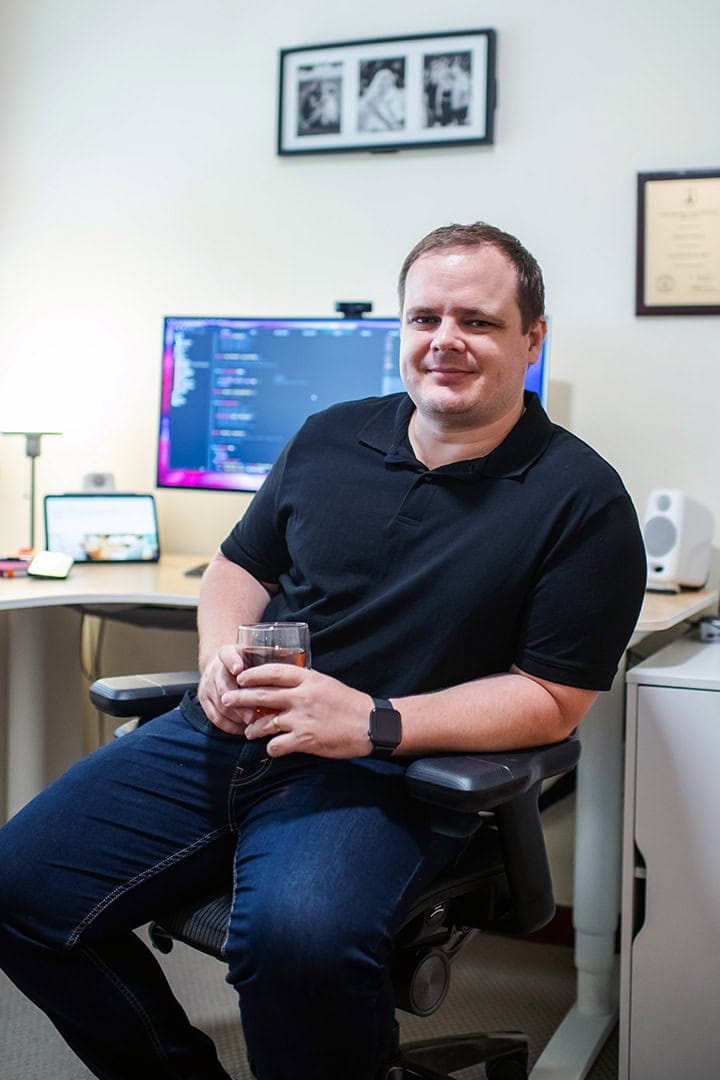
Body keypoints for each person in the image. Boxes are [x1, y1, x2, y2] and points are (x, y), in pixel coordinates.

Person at [0, 222, 647, 1080]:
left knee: (299, 947)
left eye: (479, 322)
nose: (445, 341)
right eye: (424, 319)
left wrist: (372, 722)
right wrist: (220, 659)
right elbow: (237, 565)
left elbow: (553, 698)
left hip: (384, 770)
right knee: (18, 890)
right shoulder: (330, 437)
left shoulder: (584, 502)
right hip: (227, 733)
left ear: (531, 339)